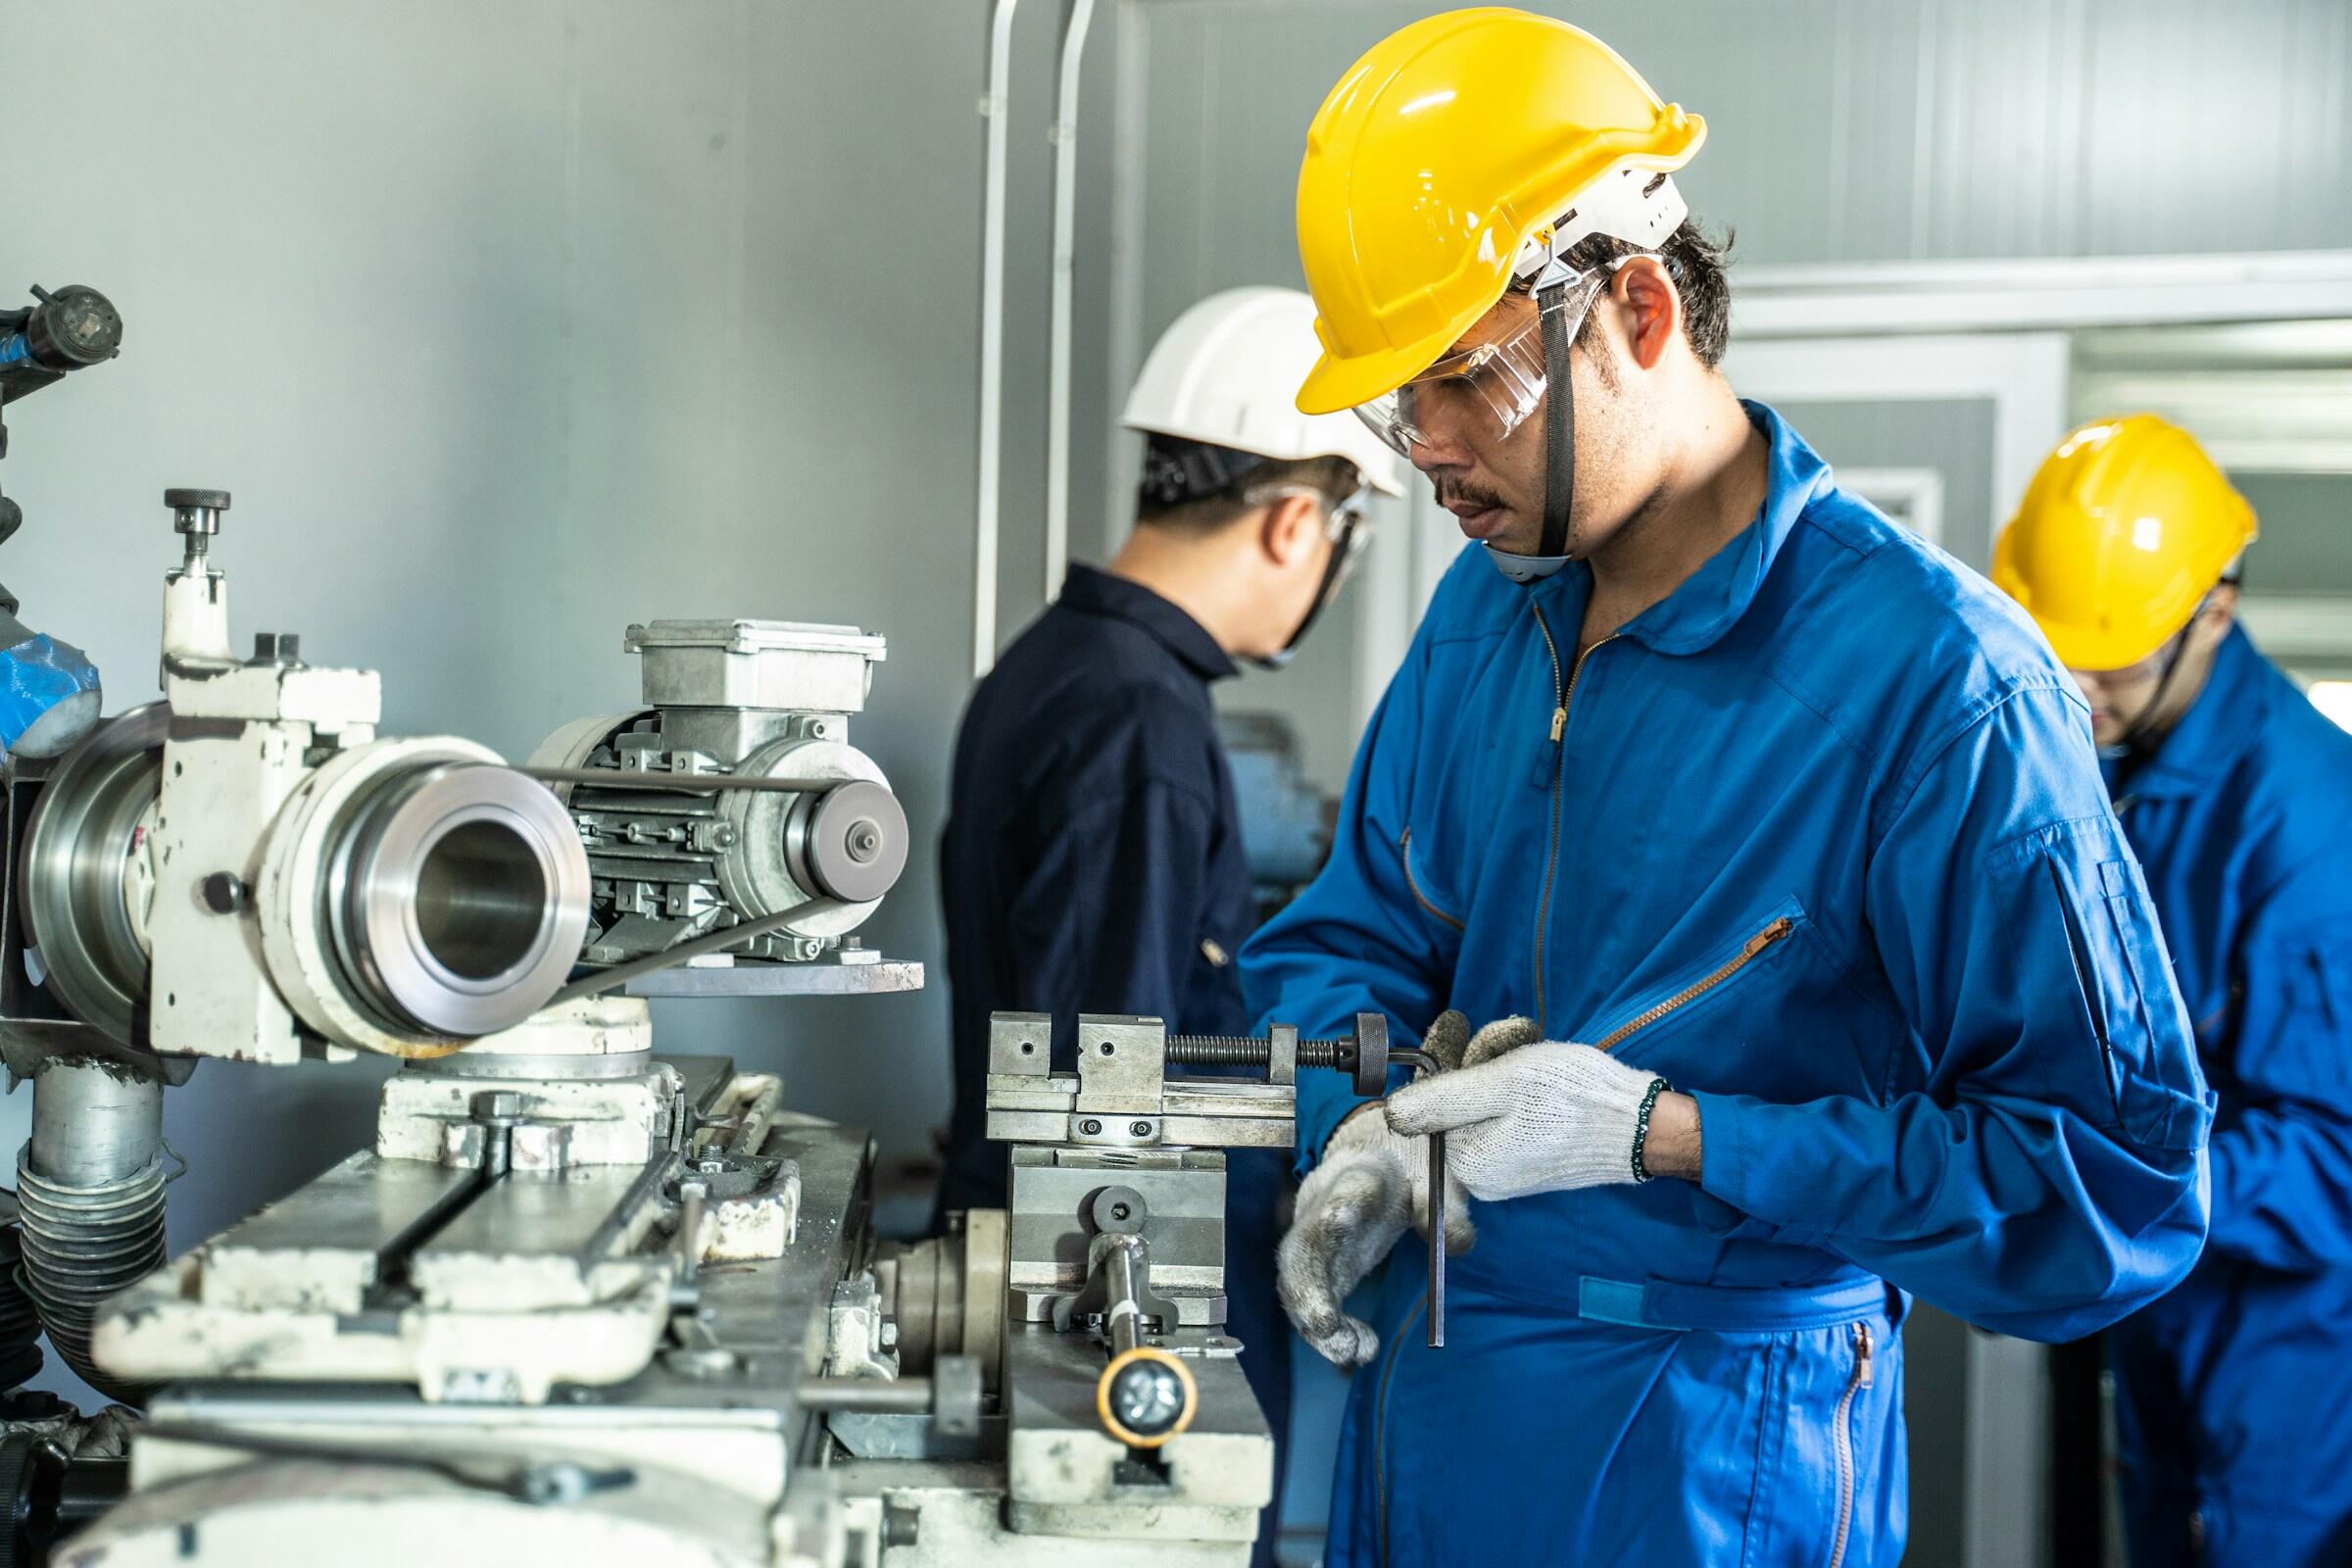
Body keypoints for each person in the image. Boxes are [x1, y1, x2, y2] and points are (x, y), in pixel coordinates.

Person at [1238, 12, 2213, 1565]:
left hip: (1707, 1461)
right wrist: (1359, 1128)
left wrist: (1670, 1135)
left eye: (1459, 383)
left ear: (1632, 304)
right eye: (1392, 403)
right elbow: (1345, 943)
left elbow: (2114, 1189)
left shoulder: (1939, 686)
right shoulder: (1491, 612)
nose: (1420, 448)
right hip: (1435, 1411)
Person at [935, 285, 1401, 1563]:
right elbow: (1106, 1098)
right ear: (1298, 521)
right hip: (1127, 1301)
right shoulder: (1140, 718)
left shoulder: (1051, 668)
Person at [1994, 414, 2352, 1568]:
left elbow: (2336, 1162)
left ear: (2216, 610)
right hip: (2161, 1329)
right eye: (2059, 652)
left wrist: (2118, 1176)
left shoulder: (2305, 829)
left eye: (2116, 661)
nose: (2079, 691)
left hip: (2284, 1373)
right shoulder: (2122, 762)